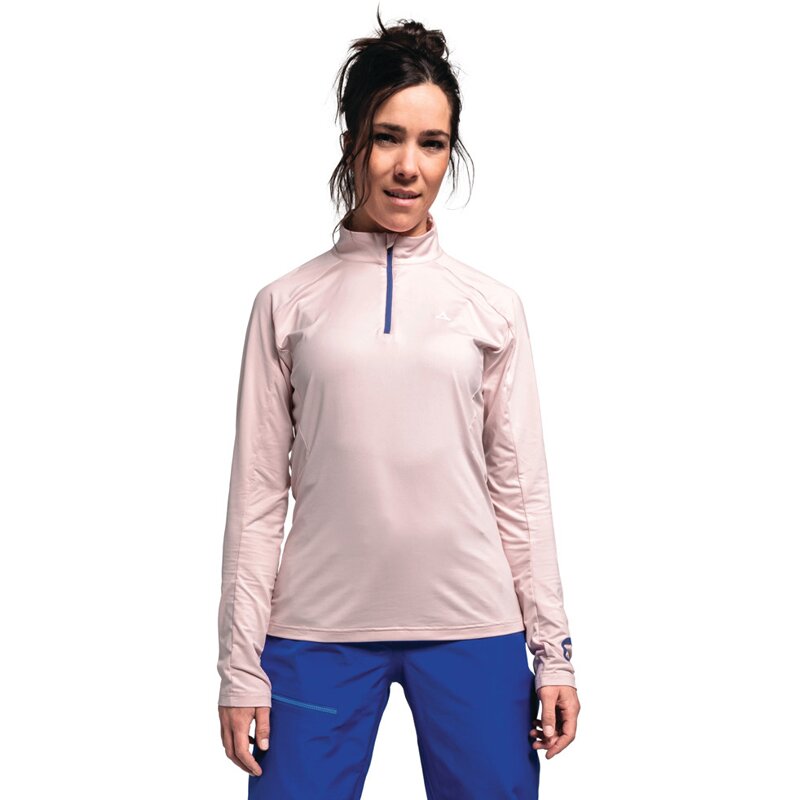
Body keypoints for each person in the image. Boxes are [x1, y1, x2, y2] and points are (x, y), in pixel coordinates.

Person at [217, 11, 580, 798]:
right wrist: (239, 666)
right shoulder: (286, 304)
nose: (409, 167)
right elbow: (256, 499)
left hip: (474, 628)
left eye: (432, 143)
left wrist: (554, 653)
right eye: (388, 138)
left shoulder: (492, 307)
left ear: (451, 153)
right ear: (353, 141)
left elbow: (521, 493)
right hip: (315, 632)